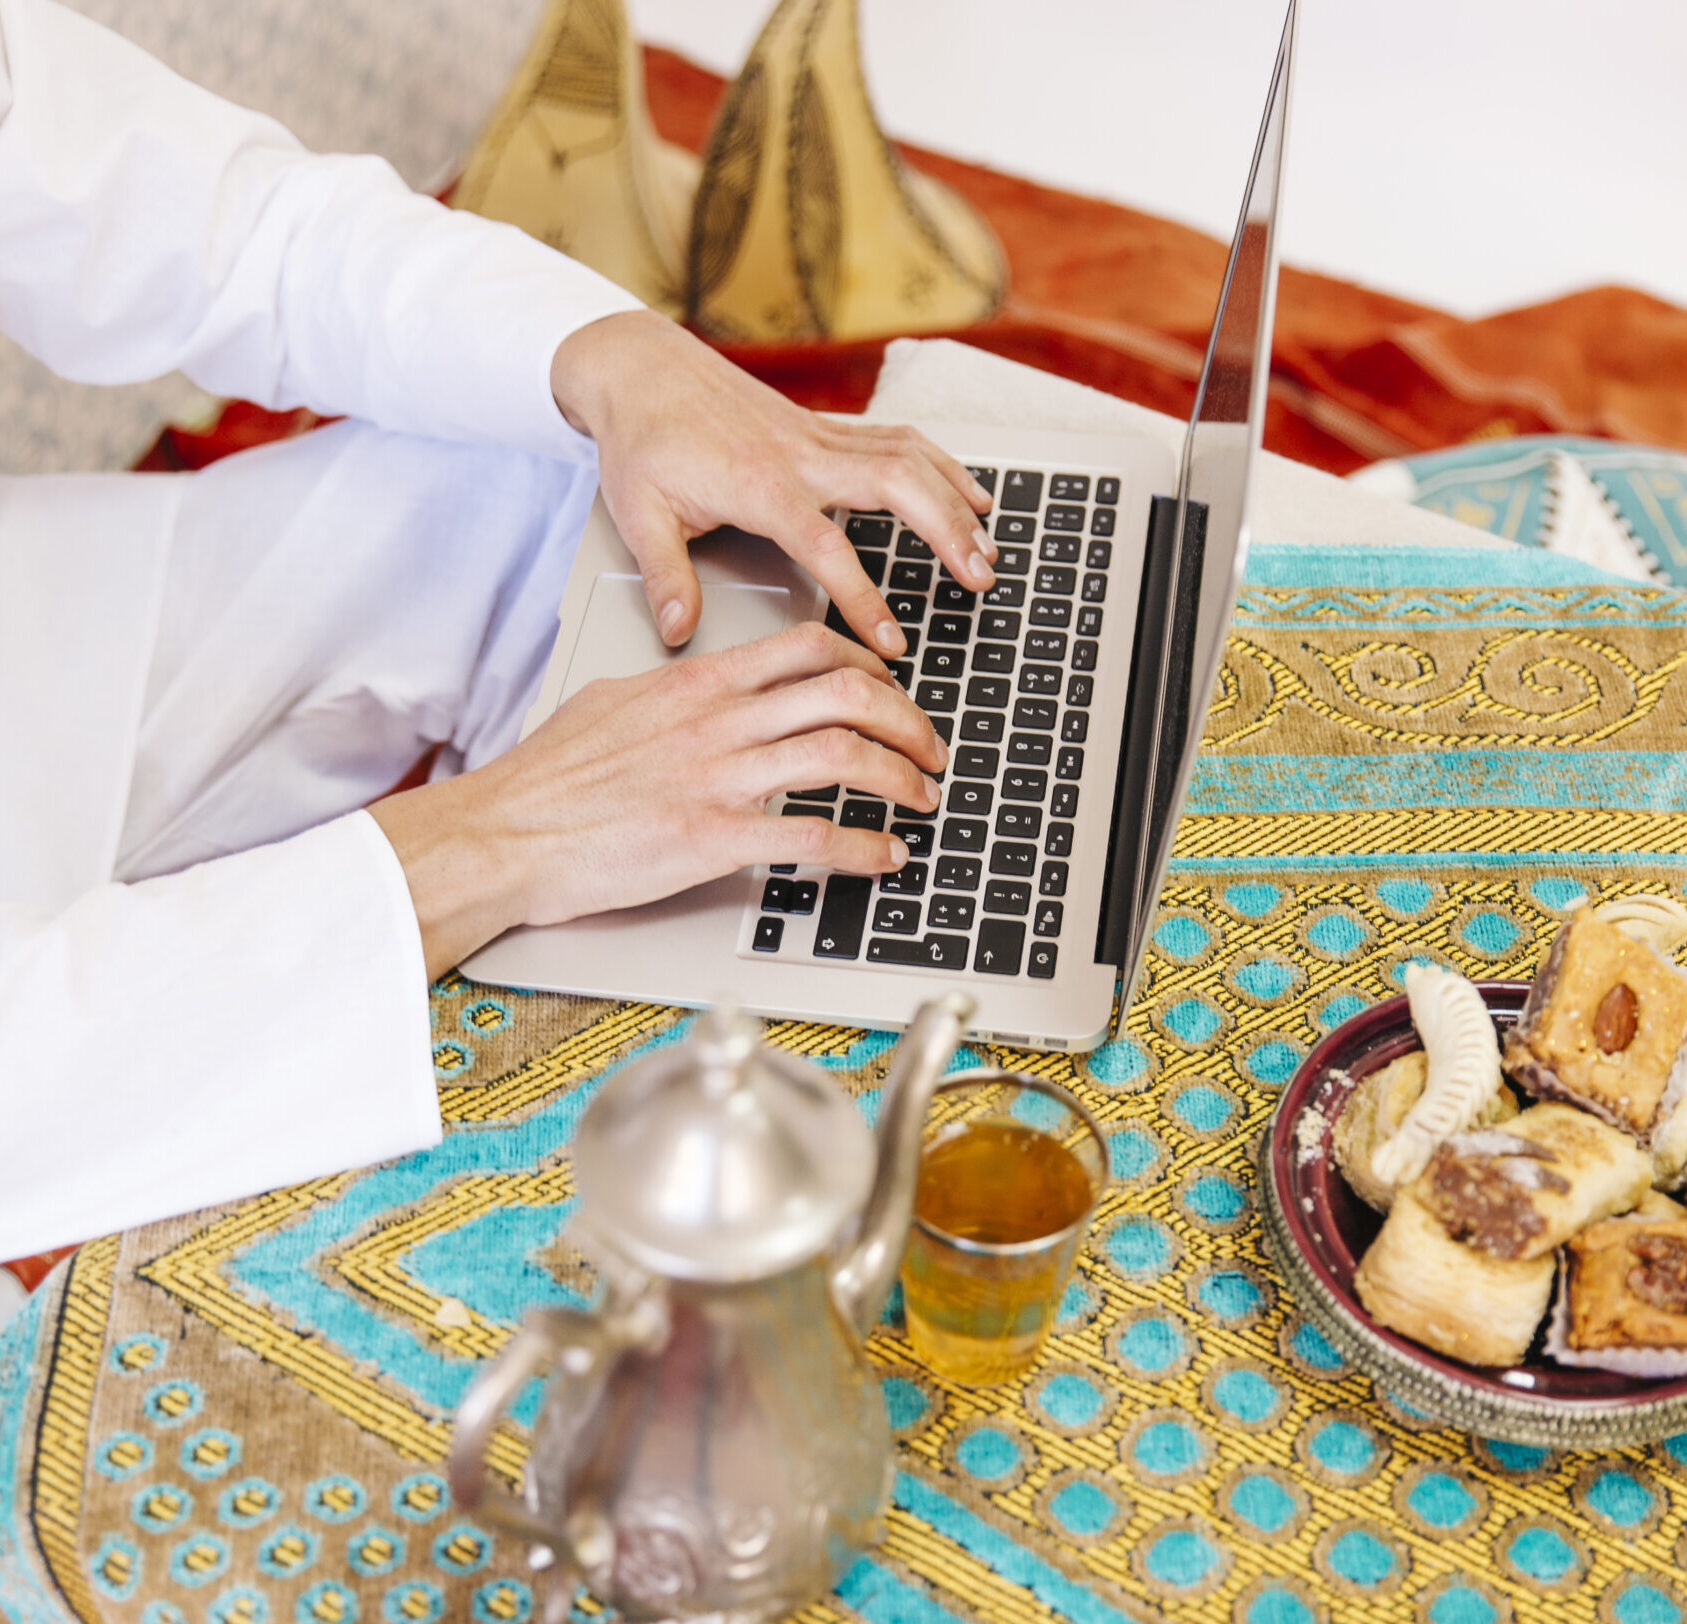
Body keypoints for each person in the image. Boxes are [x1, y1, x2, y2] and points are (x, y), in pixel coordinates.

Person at [0, 0, 997, 1259]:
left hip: (43, 634)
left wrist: (622, 360)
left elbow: (237, 233)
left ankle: (903, 898)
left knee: (568, 488)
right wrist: (496, 837)